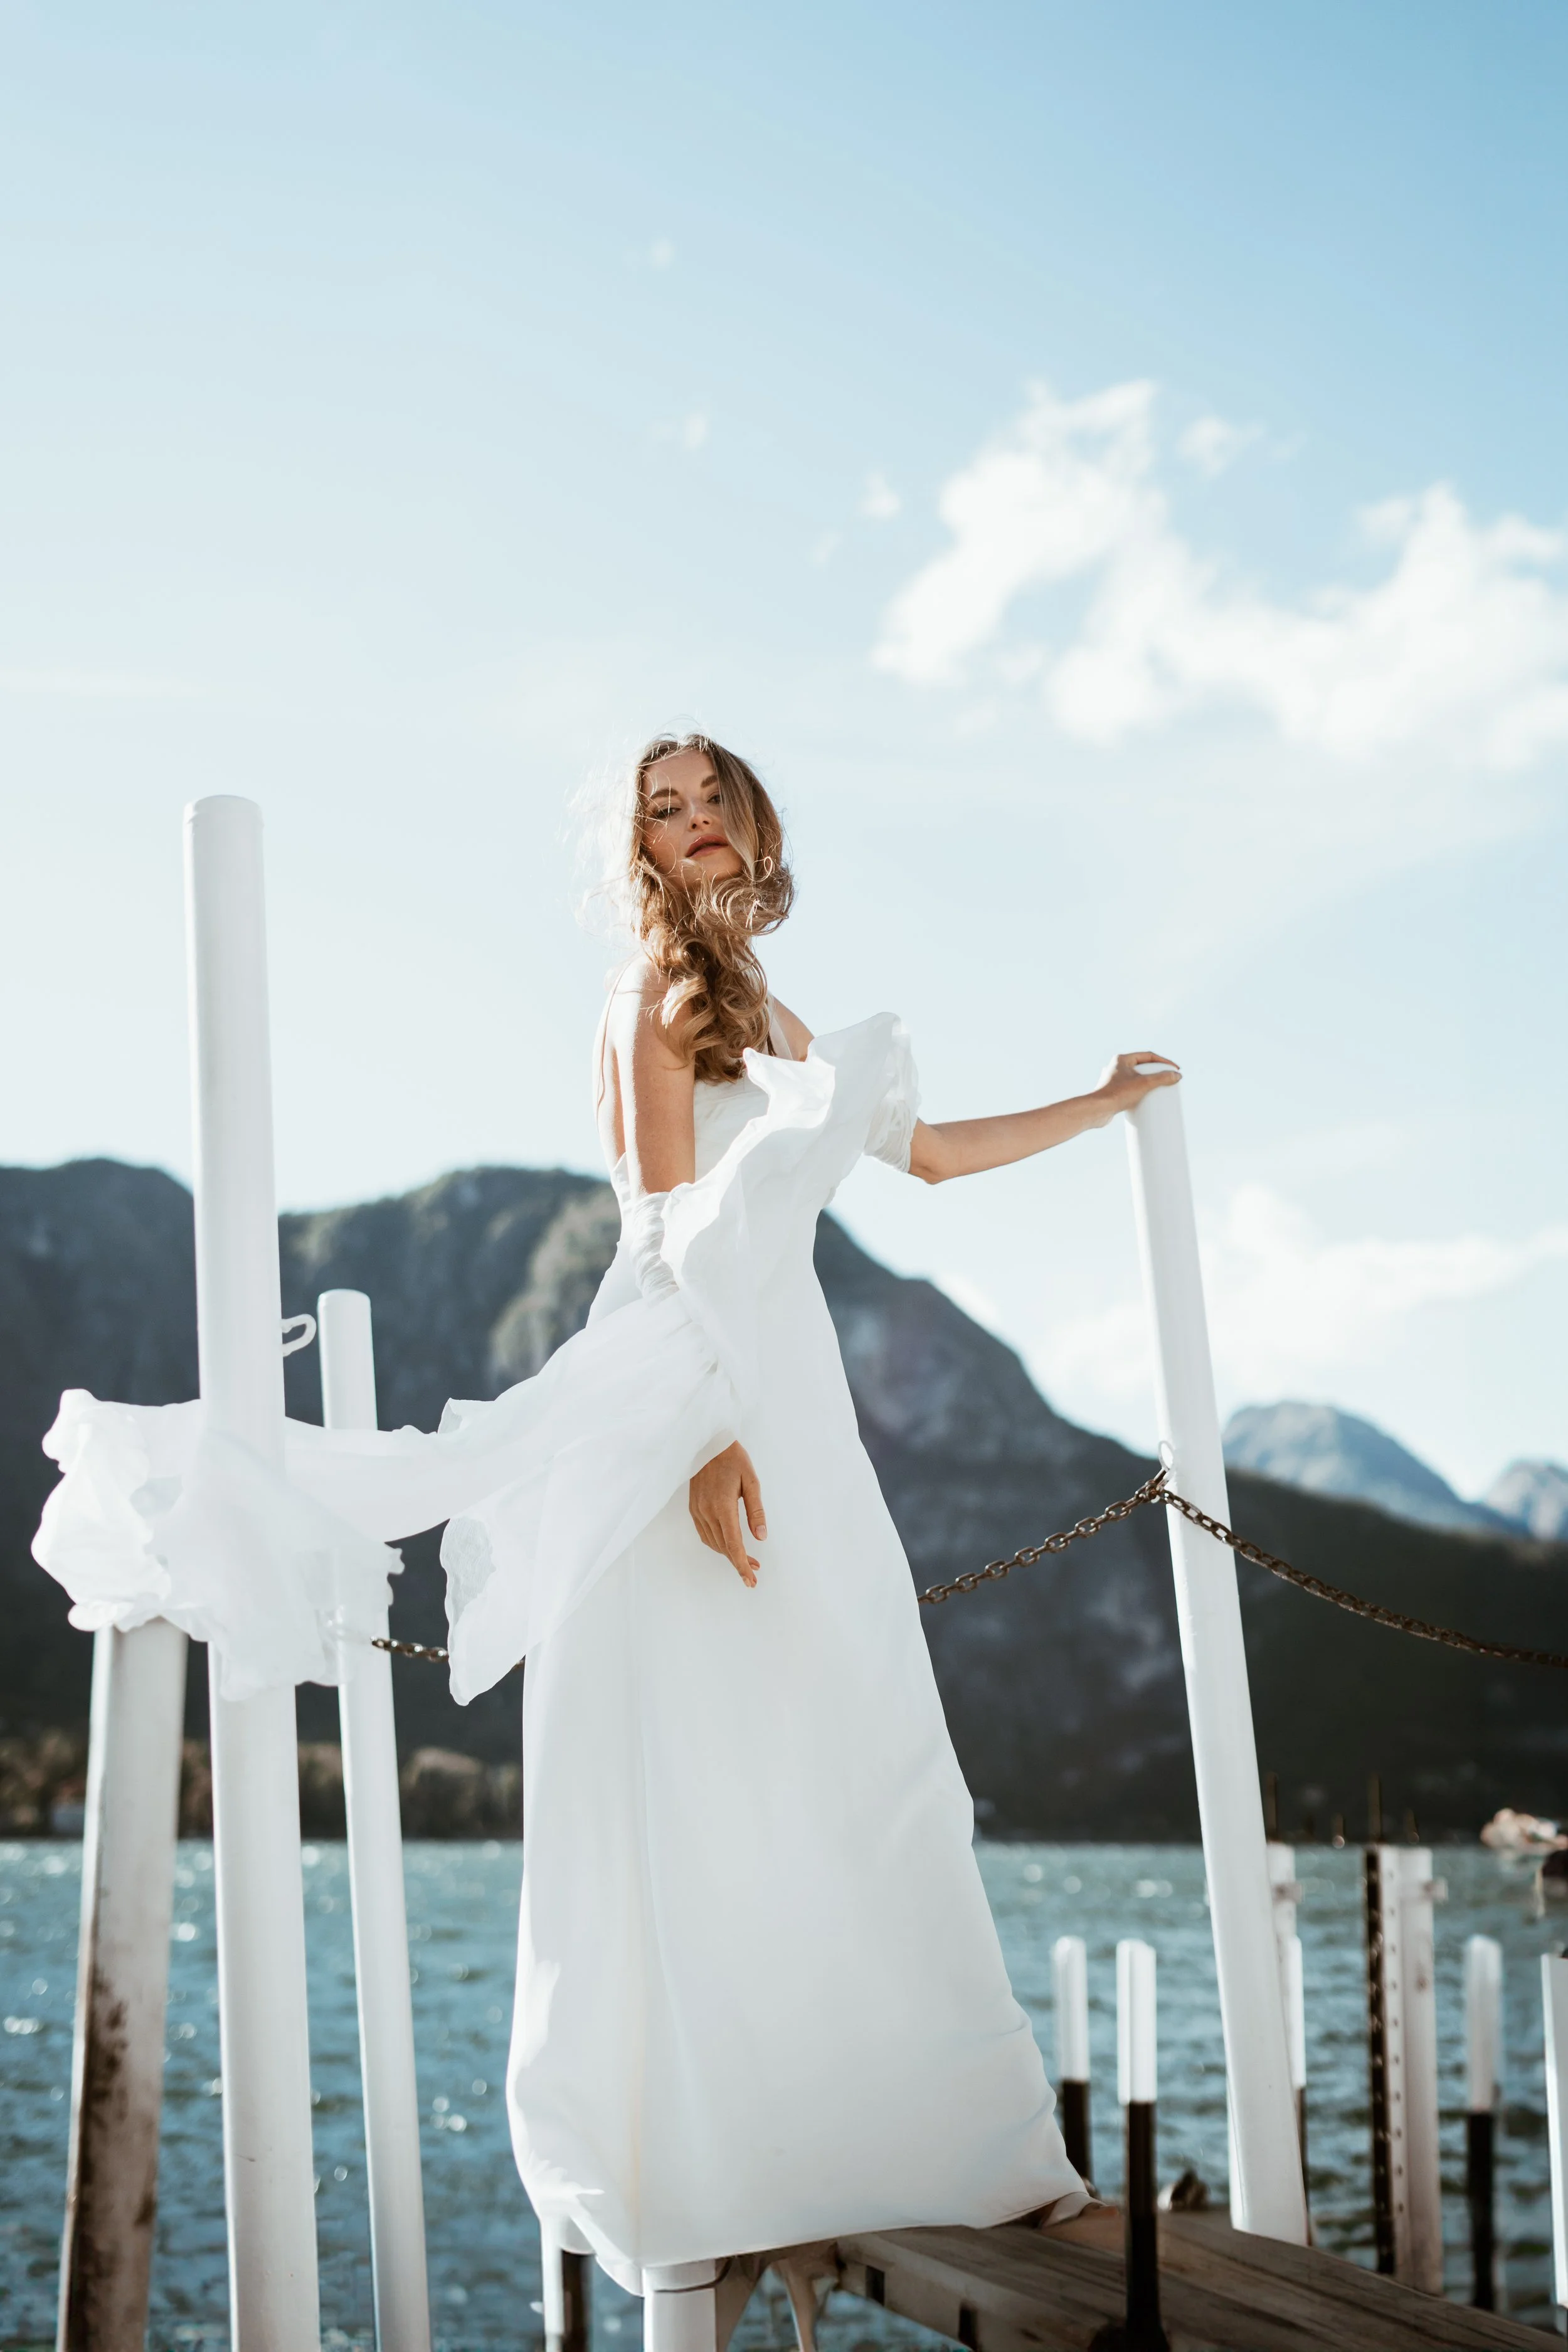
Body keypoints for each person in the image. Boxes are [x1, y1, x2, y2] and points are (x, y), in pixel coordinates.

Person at [508, 732, 1179, 2321]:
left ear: (751, 818)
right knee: (722, 1769)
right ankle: (720, 2162)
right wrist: (704, 1440)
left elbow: (927, 1155)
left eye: (705, 799)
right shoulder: (648, 995)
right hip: (714, 1404)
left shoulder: (751, 1003)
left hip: (794, 1410)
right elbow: (660, 1233)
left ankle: (873, 2131)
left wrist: (1099, 1102)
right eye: (656, 811)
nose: (684, 827)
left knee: (854, 1750)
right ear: (639, 844)